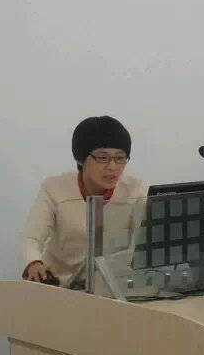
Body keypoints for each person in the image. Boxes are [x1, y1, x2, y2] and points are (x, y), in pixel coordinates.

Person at [22, 116, 147, 289]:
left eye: (120, 158)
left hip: (111, 286)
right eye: (102, 158)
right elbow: (32, 237)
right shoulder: (54, 189)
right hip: (61, 286)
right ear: (81, 158)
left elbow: (145, 240)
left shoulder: (134, 190)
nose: (113, 167)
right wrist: (34, 263)